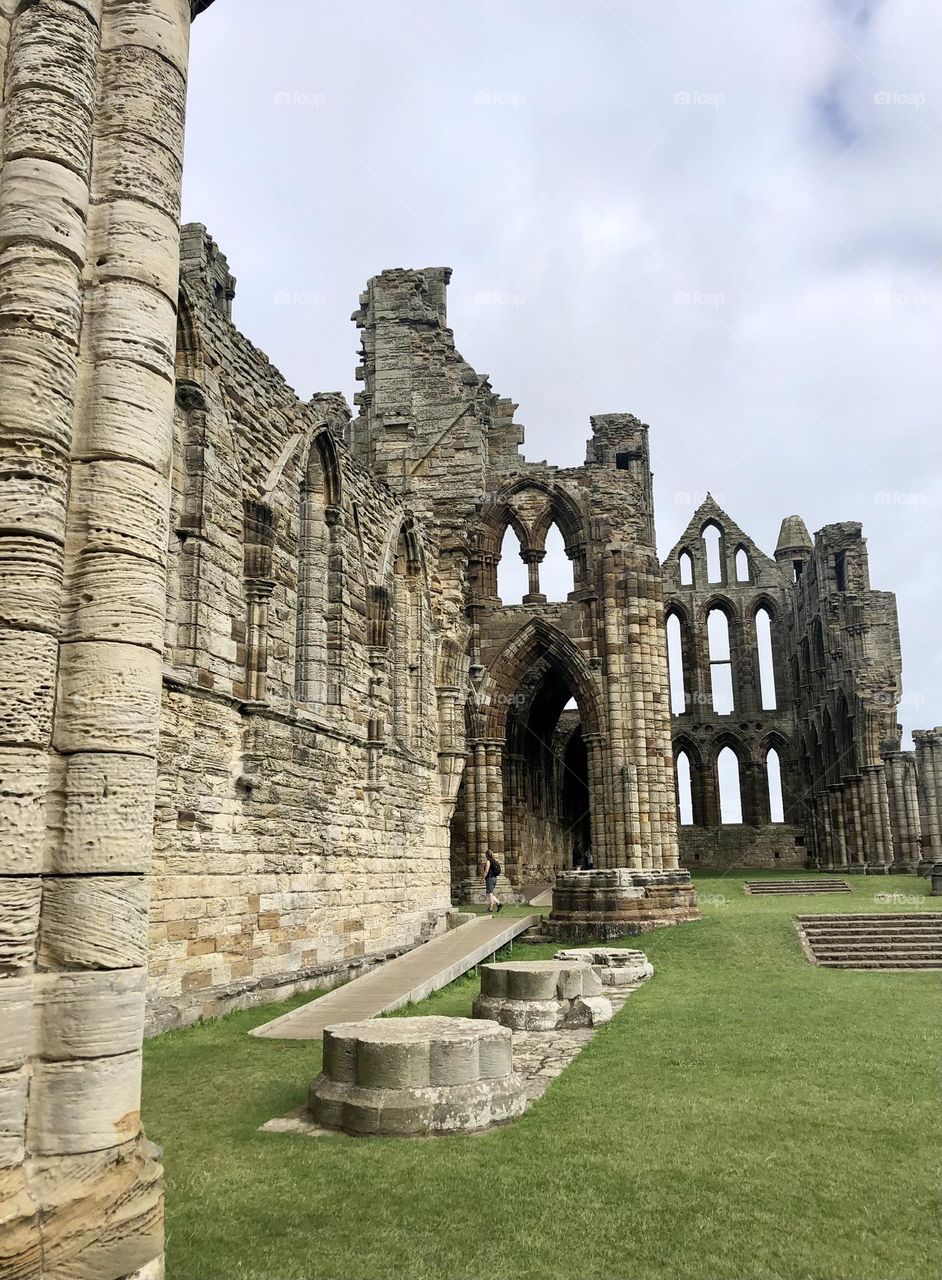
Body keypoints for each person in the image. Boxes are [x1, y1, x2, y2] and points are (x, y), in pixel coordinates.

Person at [483, 847, 502, 913]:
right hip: (494, 878)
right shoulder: (495, 861)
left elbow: (486, 871)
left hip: (490, 879)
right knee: (489, 894)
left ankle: (490, 908)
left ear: (487, 855)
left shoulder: (488, 861)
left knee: (490, 894)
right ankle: (498, 904)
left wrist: (482, 878)